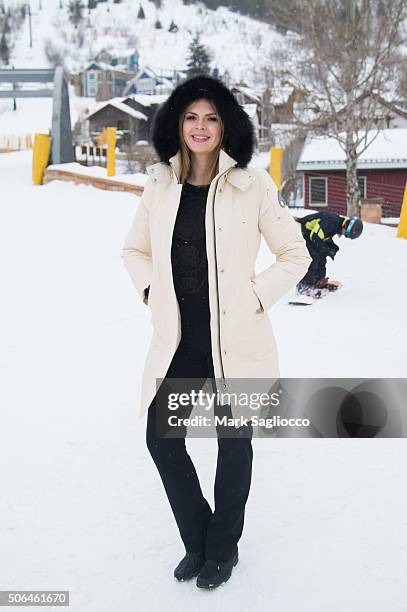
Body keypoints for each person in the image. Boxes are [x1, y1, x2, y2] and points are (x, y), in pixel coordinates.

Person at [122, 75, 311, 589]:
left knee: (234, 446)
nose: (200, 127)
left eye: (210, 117)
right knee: (161, 439)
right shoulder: (161, 183)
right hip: (180, 341)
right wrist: (149, 291)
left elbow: (296, 254)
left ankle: (222, 550)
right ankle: (198, 539)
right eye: (190, 117)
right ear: (177, 124)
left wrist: (253, 297)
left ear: (225, 125)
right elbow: (134, 251)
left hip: (237, 345)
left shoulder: (253, 185)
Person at [295, 211, 363, 294]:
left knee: (322, 255)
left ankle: (318, 281)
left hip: (309, 234)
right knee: (313, 256)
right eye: (346, 234)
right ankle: (304, 286)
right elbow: (315, 236)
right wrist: (325, 249)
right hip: (301, 231)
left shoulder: (336, 225)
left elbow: (323, 236)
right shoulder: (332, 221)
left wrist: (330, 248)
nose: (344, 235)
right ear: (346, 226)